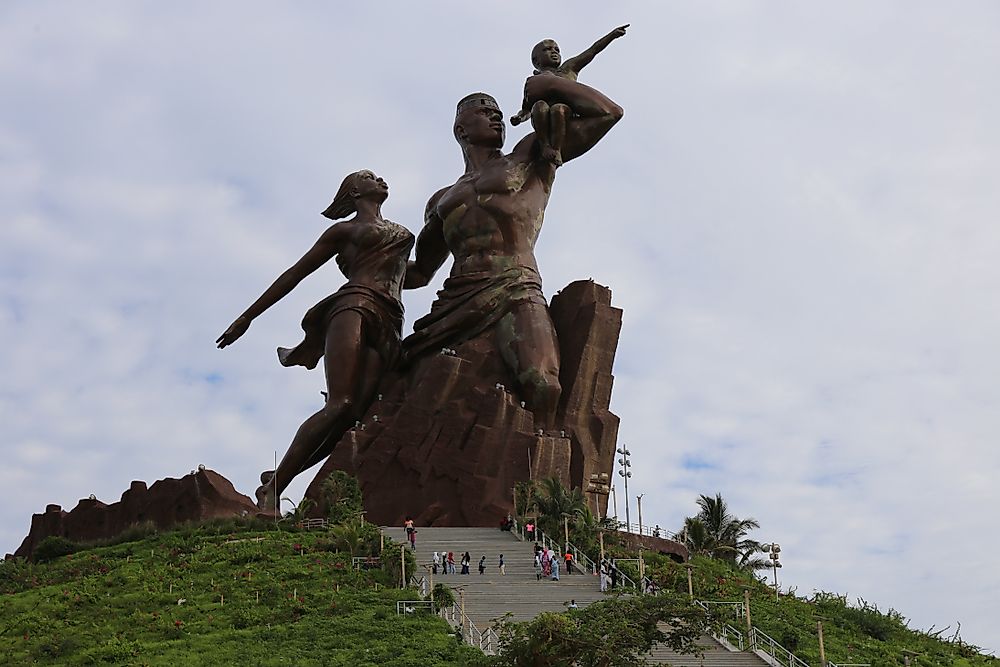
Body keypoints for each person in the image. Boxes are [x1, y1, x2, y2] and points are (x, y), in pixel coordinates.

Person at [403, 79, 623, 434]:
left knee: (543, 383)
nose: (497, 118)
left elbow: (608, 113)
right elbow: (420, 272)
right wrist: (370, 275)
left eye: (500, 115)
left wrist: (547, 82)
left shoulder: (529, 157)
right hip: (456, 299)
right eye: (485, 112)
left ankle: (541, 475)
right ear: (461, 129)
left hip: (515, 286)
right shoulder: (441, 200)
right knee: (408, 385)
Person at [217, 170, 416, 511]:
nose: (380, 178)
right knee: (340, 404)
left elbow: (419, 275)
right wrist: (247, 317)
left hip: (391, 319)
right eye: (369, 177)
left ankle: (278, 476)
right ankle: (275, 489)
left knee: (354, 417)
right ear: (354, 192)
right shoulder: (345, 231)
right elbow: (295, 273)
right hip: (353, 306)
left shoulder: (400, 233)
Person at [509, 25, 629, 166]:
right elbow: (527, 108)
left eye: (557, 50)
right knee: (539, 106)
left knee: (558, 109)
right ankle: (545, 145)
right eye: (547, 50)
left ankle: (557, 149)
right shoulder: (533, 82)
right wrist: (519, 117)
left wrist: (611, 36)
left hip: (565, 115)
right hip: (543, 119)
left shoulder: (567, 69)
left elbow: (592, 51)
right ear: (536, 61)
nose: (554, 52)